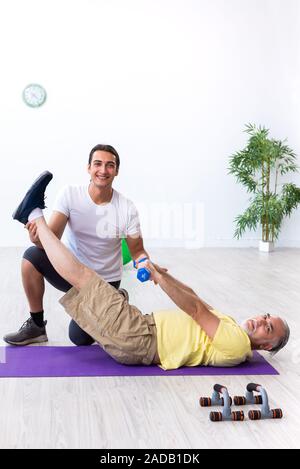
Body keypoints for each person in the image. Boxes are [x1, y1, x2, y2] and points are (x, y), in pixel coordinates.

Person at [5, 173, 290, 370]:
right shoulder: (232, 327)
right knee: (82, 281)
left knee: (82, 277)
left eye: (268, 328)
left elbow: (195, 311)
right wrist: (161, 272)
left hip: (140, 338)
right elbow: (198, 300)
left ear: (265, 346)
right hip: (141, 331)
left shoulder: (238, 344)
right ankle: (35, 221)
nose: (260, 321)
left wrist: (159, 279)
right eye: (265, 316)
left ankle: (31, 213)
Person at [3, 145, 150, 347]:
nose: (103, 170)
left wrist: (144, 264)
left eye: (110, 165)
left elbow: (137, 252)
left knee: (79, 338)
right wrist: (35, 235)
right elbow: (48, 240)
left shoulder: (126, 208)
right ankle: (36, 326)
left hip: (105, 283)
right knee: (32, 256)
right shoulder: (70, 195)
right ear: (88, 168)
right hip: (71, 273)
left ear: (116, 171)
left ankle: (117, 299)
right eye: (97, 164)